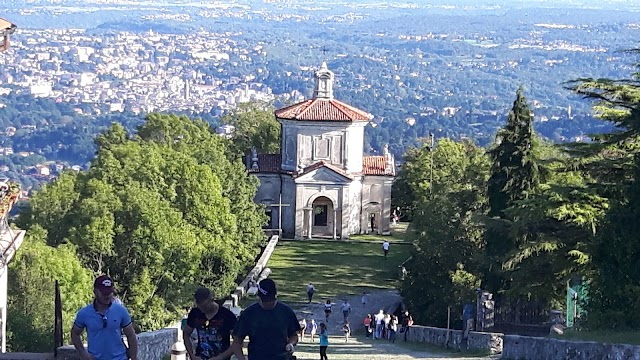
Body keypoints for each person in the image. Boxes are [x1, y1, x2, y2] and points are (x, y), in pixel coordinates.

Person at [71, 275, 138, 360]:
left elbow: (131, 335)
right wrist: (83, 353)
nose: (107, 296)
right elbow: (75, 333)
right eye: (104, 293)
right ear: (95, 291)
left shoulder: (120, 310)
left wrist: (134, 357)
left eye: (109, 292)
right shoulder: (84, 313)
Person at [231, 279, 301, 360]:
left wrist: (291, 344)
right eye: (265, 300)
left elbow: (294, 335)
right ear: (259, 297)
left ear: (276, 295)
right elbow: (236, 341)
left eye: (271, 300)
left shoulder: (286, 311)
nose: (269, 303)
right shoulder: (249, 313)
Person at [183, 287, 239, 360]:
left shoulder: (227, 315)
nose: (203, 310)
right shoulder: (195, 313)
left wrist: (220, 357)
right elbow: (186, 334)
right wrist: (192, 355)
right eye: (200, 307)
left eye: (205, 307)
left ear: (212, 300)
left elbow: (237, 341)